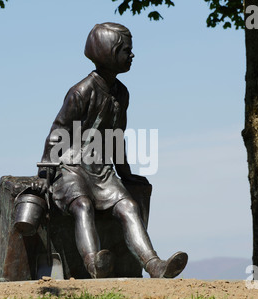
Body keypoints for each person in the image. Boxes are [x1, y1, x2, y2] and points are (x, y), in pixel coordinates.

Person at [33, 22, 187, 278]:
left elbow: (117, 138)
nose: (132, 55)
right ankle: (94, 263)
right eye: (126, 50)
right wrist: (45, 172)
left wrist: (125, 174)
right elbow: (56, 133)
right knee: (82, 204)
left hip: (101, 171)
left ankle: (155, 266)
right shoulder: (81, 91)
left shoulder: (122, 93)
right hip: (71, 169)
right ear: (108, 52)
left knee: (128, 206)